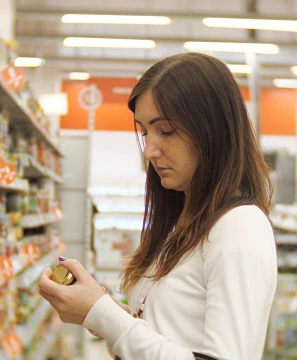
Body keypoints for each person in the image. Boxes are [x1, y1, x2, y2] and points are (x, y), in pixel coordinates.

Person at [39, 52, 277, 359]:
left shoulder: (240, 227)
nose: (149, 150)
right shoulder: (183, 221)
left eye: (165, 130)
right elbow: (171, 331)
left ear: (212, 129)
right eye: (144, 132)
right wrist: (105, 309)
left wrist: (103, 315)